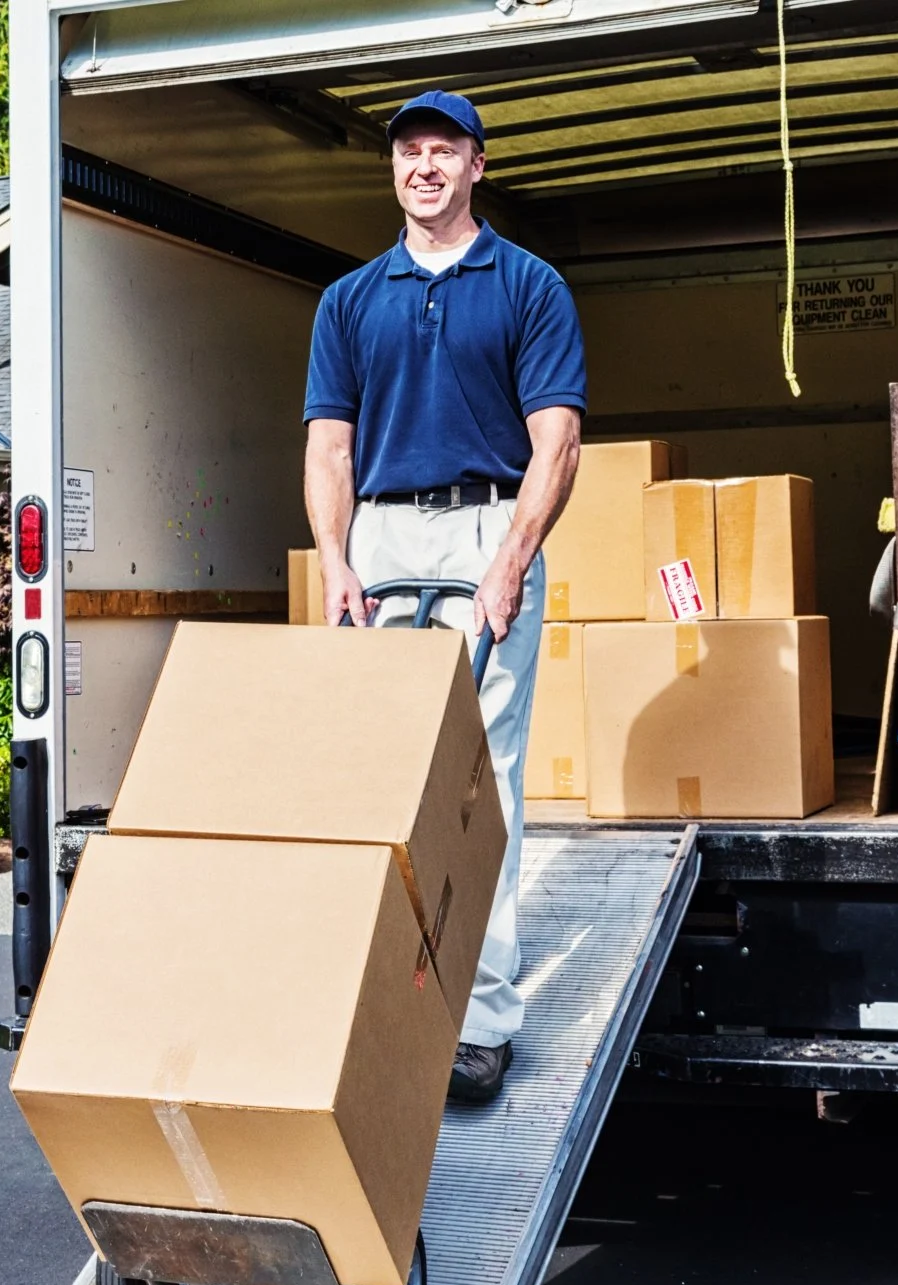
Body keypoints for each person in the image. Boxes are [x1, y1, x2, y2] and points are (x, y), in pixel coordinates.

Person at [302, 89, 585, 1105]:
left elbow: (555, 436)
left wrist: (511, 558)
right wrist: (333, 560)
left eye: (443, 151)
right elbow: (329, 445)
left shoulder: (528, 284)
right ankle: (378, 998)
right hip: (379, 538)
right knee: (377, 780)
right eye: (408, 152)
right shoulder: (350, 299)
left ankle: (482, 1020)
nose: (423, 166)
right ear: (393, 170)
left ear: (477, 166)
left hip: (483, 530)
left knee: (484, 777)